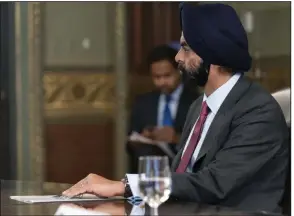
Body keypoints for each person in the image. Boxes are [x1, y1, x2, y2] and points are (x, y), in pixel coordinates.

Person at [62, 3, 289, 213]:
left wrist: (123, 186)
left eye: (186, 48)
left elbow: (216, 184)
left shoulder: (258, 111)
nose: (178, 57)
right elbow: (179, 182)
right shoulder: (198, 108)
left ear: (212, 54)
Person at [127, 44, 199, 172]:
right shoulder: (143, 103)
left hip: (185, 170)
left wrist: (176, 138)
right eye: (157, 77)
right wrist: (144, 137)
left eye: (167, 76)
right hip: (151, 168)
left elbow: (205, 141)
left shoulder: (196, 101)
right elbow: (130, 141)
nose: (162, 82)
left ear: (179, 71)